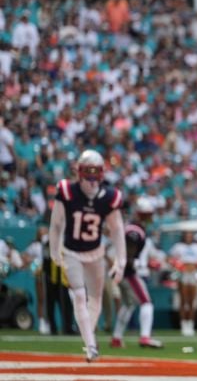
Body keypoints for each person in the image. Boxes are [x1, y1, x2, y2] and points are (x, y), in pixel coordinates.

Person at [48, 149, 126, 362]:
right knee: (80, 296)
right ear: (79, 172)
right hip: (72, 251)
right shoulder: (67, 191)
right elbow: (56, 223)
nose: (92, 180)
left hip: (96, 253)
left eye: (95, 173)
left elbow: (117, 229)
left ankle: (88, 338)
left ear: (102, 173)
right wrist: (54, 250)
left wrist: (121, 261)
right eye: (88, 173)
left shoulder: (109, 196)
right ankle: (91, 345)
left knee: (96, 298)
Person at [110, 198, 163, 349]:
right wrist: (146, 264)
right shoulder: (134, 231)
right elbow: (128, 258)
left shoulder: (132, 228)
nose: (151, 218)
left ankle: (116, 338)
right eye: (149, 214)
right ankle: (145, 337)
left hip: (120, 270)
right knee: (146, 303)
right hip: (127, 272)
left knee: (128, 305)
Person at [170, 231, 197, 337]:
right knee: (183, 300)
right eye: (186, 235)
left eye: (190, 235)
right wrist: (177, 266)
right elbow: (171, 259)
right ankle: (183, 324)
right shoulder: (178, 247)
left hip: (194, 273)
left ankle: (190, 324)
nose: (188, 237)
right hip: (183, 273)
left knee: (192, 301)